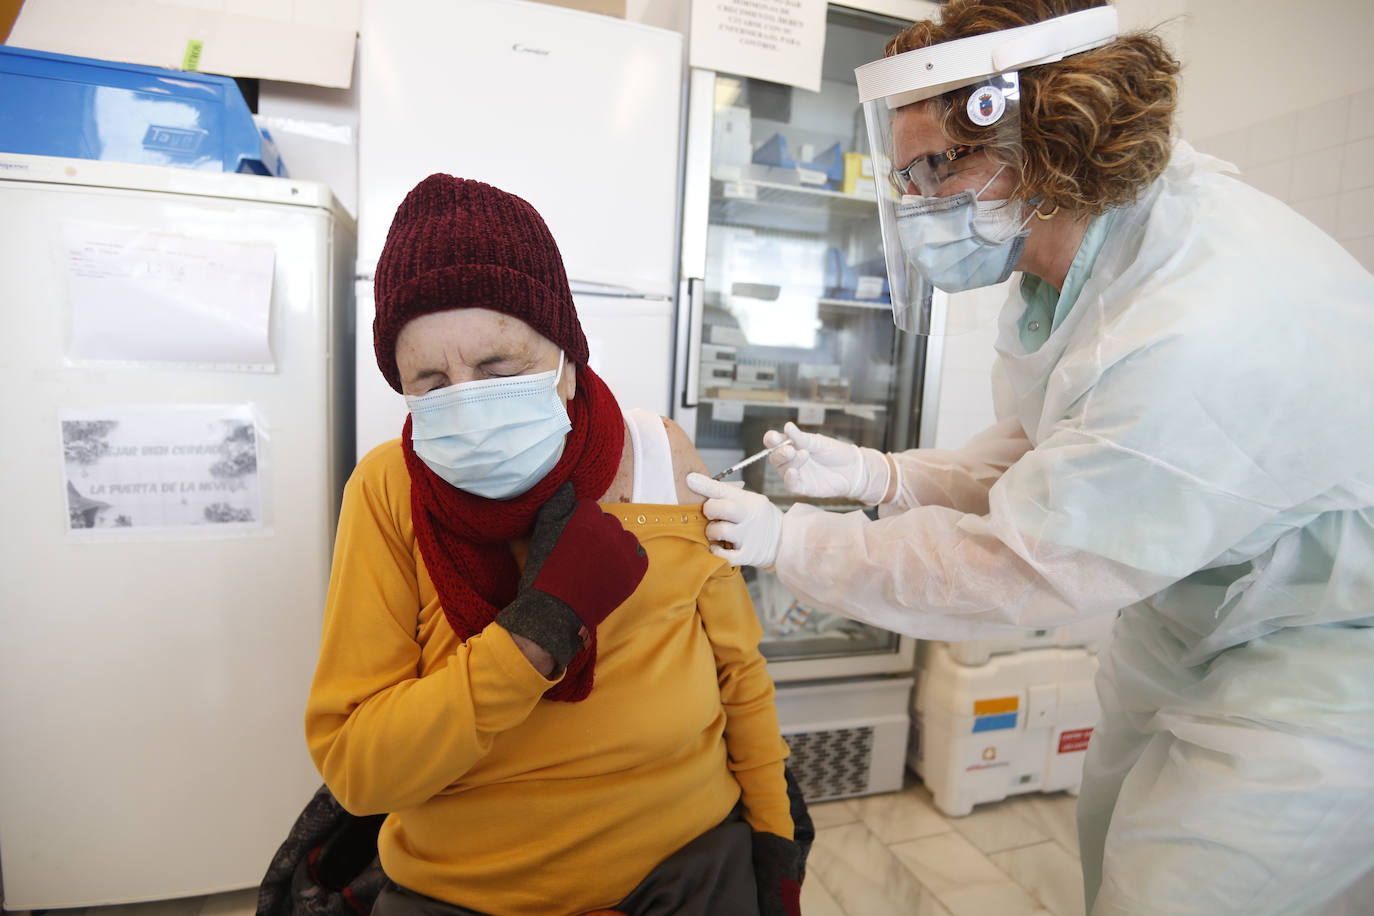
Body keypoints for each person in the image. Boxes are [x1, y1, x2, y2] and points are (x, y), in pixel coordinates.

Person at [686, 1, 1374, 913]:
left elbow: (1018, 561)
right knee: (1108, 846)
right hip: (1194, 621)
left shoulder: (1196, 325)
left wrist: (795, 545)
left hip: (1320, 664)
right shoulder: (1092, 258)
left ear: (1041, 142)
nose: (917, 204)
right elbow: (1048, 453)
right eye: (907, 178)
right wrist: (881, 477)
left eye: (934, 168)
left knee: (1168, 896)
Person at [304, 174, 805, 916]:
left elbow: (739, 673)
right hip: (466, 896)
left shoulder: (662, 459)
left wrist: (775, 841)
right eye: (431, 380)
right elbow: (358, 769)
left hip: (694, 867)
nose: (467, 401)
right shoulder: (388, 490)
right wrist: (536, 635)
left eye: (499, 367)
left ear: (567, 358)